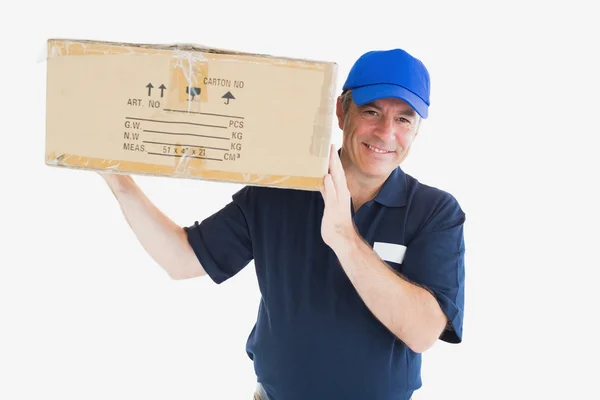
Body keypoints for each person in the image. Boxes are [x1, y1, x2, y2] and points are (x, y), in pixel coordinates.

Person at [101, 48, 466, 400]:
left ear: (417, 129)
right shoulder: (278, 190)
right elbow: (180, 259)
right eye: (371, 111)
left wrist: (343, 235)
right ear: (341, 112)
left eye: (404, 119)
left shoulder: (435, 213)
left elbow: (422, 332)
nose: (386, 132)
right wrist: (117, 178)